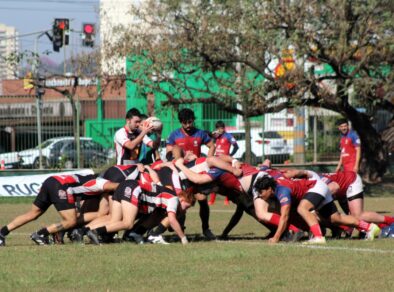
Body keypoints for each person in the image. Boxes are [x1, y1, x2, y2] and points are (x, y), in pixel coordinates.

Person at [253, 175, 381, 244]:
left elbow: (284, 217)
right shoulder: (276, 185)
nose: (260, 195)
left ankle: (319, 237)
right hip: (320, 188)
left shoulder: (282, 191)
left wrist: (275, 238)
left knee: (302, 209)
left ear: (269, 189)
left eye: (261, 192)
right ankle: (370, 227)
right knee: (337, 218)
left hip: (316, 188)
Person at [0, 174, 118, 246]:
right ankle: (40, 234)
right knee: (71, 221)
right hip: (60, 186)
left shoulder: (85, 181)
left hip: (51, 181)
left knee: (33, 213)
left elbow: (75, 196)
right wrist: (132, 185)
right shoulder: (100, 183)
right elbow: (116, 186)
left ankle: (2, 233)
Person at [85, 179, 195, 245]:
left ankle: (84, 231)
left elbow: (158, 216)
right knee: (128, 223)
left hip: (125, 185)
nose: (186, 209)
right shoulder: (174, 199)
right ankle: (96, 232)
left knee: (114, 220)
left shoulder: (168, 197)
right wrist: (183, 238)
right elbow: (171, 219)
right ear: (182, 199)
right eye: (187, 206)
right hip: (134, 187)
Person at [166, 108, 216, 239]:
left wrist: (207, 162)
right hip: (182, 174)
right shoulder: (174, 135)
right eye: (184, 122)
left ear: (193, 120)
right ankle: (180, 230)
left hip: (197, 173)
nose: (188, 125)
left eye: (190, 122)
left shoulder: (200, 133)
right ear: (180, 122)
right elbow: (167, 153)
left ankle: (206, 229)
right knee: (182, 203)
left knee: (203, 200)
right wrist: (182, 157)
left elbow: (212, 145)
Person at [209, 120, 239, 206]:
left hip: (225, 161)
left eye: (221, 128)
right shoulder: (216, 136)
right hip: (216, 160)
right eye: (218, 128)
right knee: (214, 180)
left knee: (227, 181)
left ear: (224, 128)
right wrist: (213, 134)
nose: (220, 130)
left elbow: (236, 146)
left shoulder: (228, 136)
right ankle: (211, 201)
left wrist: (230, 156)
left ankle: (227, 200)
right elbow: (208, 136)